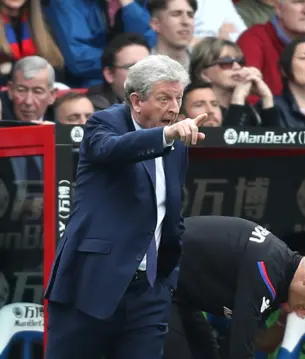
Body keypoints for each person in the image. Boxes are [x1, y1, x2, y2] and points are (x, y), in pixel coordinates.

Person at [44, 55, 210, 359]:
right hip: (91, 284)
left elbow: (172, 214)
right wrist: (165, 136)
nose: (174, 108)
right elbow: (112, 149)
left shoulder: (177, 145)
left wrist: (165, 282)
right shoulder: (105, 122)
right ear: (136, 100)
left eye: (178, 98)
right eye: (164, 99)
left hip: (148, 294)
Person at [162, 216, 305, 359]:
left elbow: (241, 344)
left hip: (180, 295)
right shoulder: (267, 268)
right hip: (155, 280)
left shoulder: (280, 274)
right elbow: (241, 345)